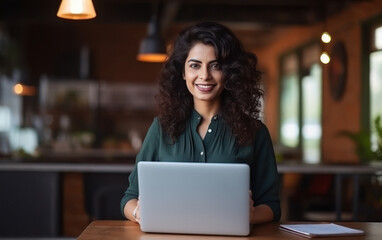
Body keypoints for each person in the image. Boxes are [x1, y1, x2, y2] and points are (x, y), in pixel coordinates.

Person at [120, 21, 281, 224]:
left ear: (229, 72)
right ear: (183, 72)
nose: (204, 75)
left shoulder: (256, 132)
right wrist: (139, 213)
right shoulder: (161, 128)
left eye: (215, 66)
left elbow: (272, 205)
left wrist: (251, 215)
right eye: (195, 65)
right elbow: (129, 198)